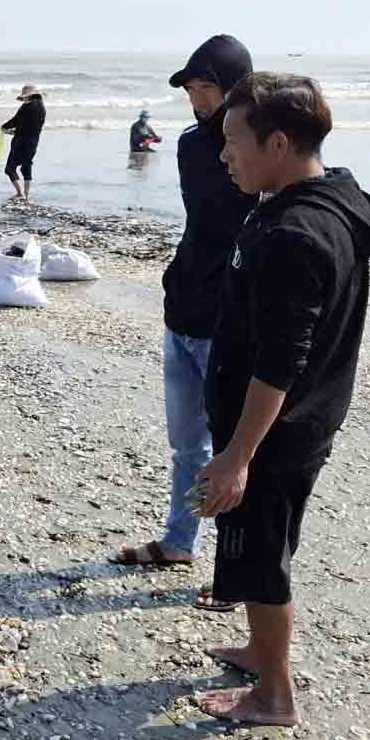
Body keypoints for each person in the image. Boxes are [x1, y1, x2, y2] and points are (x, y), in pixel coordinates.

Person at [196, 72, 370, 726]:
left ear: (278, 143)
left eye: (233, 141)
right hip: (303, 420)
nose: (223, 153)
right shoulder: (334, 195)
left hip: (279, 431)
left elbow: (281, 363)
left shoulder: (297, 233)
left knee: (261, 554)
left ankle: (274, 694)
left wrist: (237, 456)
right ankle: (260, 650)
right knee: (268, 540)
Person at [109, 35, 257, 616]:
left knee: (232, 451)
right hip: (184, 307)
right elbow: (203, 223)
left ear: (236, 88)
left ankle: (235, 573)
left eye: (207, 88)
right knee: (185, 444)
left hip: (231, 319)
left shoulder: (264, 147)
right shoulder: (192, 144)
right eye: (192, 89)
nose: (197, 99)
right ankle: (178, 542)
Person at [1, 85, 45, 201]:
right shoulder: (41, 107)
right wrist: (15, 131)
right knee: (26, 165)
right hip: (33, 141)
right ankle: (26, 195)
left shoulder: (27, 106)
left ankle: (20, 193)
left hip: (20, 142)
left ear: (29, 96)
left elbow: (16, 120)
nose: (23, 99)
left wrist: (4, 127)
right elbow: (31, 127)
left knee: (9, 168)